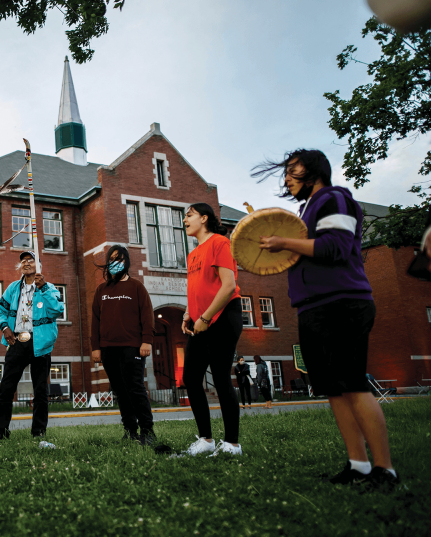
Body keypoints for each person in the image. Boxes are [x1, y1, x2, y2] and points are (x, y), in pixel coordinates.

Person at [255, 148, 398, 488]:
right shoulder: (305, 212)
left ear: (314, 169)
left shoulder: (336, 199)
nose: (286, 178)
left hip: (343, 303)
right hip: (312, 307)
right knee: (334, 390)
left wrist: (283, 242)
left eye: (293, 170)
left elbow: (335, 246)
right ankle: (358, 464)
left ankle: (384, 469)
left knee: (352, 383)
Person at [171, 203, 243, 457]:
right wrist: (189, 314)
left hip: (223, 316)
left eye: (188, 215)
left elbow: (228, 286)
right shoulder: (193, 254)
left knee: (221, 378)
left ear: (204, 218)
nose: (184, 220)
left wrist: (206, 317)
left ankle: (232, 444)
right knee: (191, 378)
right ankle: (206, 440)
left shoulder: (220, 243)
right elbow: (198, 288)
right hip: (201, 319)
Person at [90, 245, 162, 447]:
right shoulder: (101, 290)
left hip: (133, 347)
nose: (116, 262)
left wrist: (146, 340)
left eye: (120, 259)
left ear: (127, 262)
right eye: (112, 258)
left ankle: (148, 431)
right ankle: (130, 430)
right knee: (120, 391)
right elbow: (95, 320)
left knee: (136, 388)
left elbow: (147, 315)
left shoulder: (136, 287)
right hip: (107, 349)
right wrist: (96, 347)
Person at [0, 251, 64, 441]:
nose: (26, 263)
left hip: (40, 344)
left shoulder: (49, 288)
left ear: (39, 265)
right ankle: (0, 431)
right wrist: (5, 327)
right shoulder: (13, 288)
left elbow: (58, 310)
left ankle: (38, 432)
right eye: (23, 261)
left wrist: (44, 288)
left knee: (40, 390)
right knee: (6, 388)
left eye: (31, 260)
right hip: (16, 342)